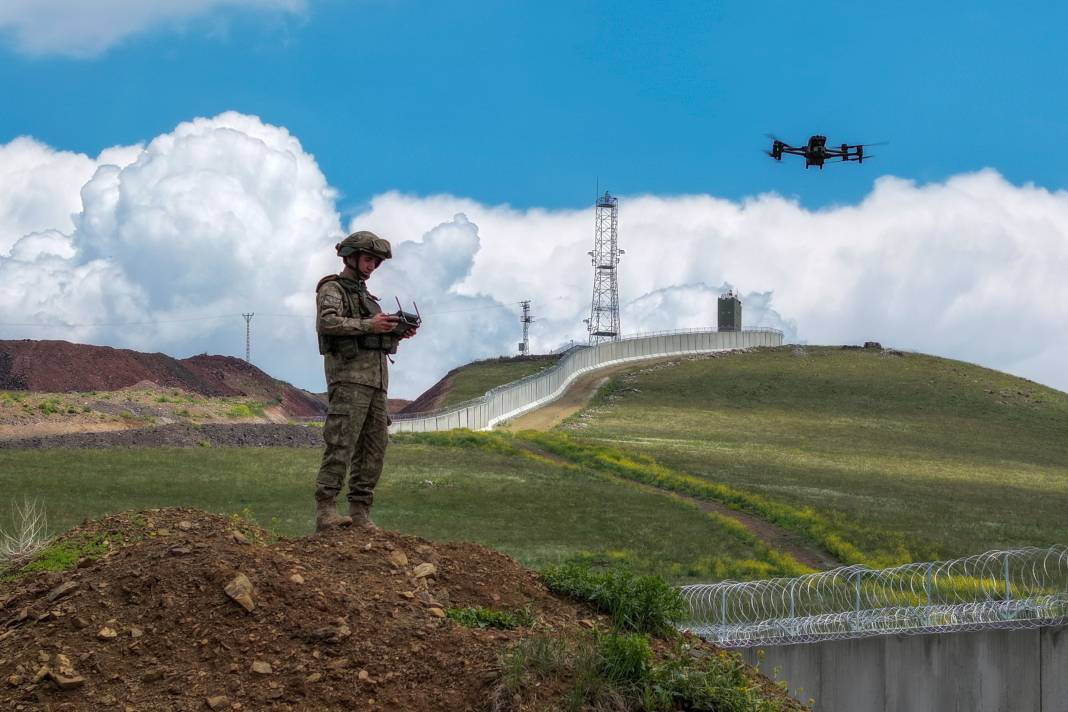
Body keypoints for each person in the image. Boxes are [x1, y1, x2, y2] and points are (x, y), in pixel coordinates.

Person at [313, 230, 417, 533]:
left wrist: (395, 331)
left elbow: (371, 335)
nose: (372, 266)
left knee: (374, 447)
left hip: (376, 384)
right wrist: (370, 324)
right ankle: (326, 510)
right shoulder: (332, 289)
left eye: (376, 262)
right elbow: (328, 322)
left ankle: (360, 512)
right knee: (341, 444)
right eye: (368, 259)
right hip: (348, 381)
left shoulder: (366, 298)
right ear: (352, 256)